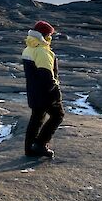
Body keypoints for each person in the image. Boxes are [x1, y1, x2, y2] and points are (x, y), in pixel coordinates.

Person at [22, 21, 64, 158]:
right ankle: (40, 144)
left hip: (34, 92)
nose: (50, 38)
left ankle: (30, 149)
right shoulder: (42, 52)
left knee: (36, 118)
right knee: (58, 115)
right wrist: (55, 92)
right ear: (45, 35)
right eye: (50, 35)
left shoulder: (29, 48)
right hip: (46, 93)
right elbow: (47, 77)